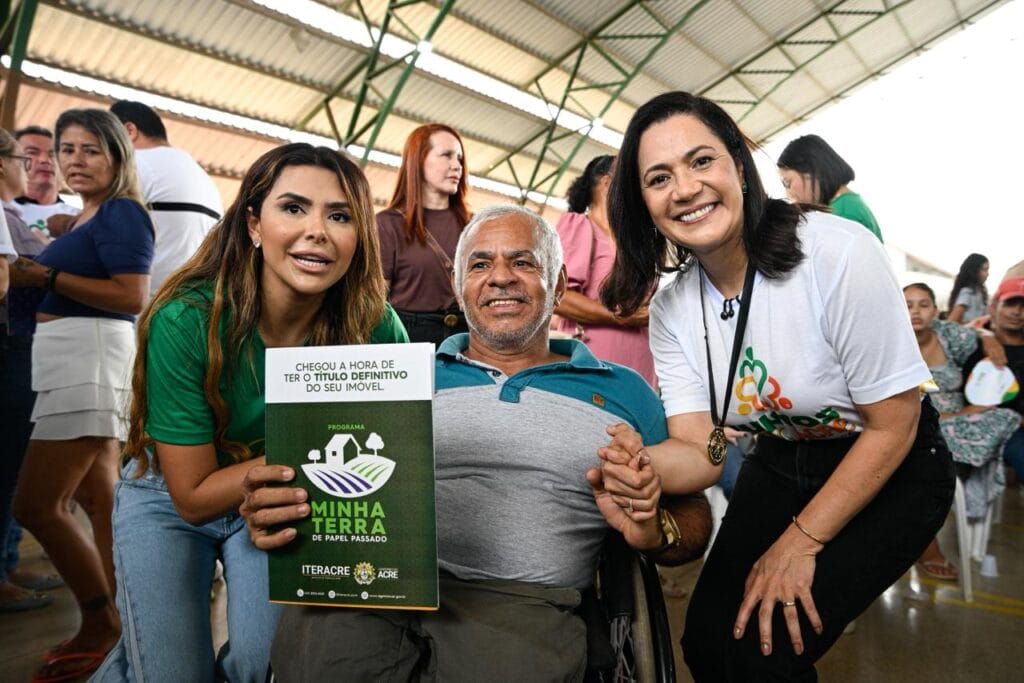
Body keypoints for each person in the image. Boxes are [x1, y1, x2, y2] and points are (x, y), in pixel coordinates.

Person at [241, 204, 712, 681]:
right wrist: (283, 514)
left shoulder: (623, 388)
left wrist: (655, 530)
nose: (500, 278)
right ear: (458, 287)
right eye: (481, 264)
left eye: (523, 262)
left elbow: (695, 513)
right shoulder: (393, 376)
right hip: (371, 587)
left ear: (561, 284)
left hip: (520, 604)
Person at [601, 91, 954, 681]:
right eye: (659, 177)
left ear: (739, 165)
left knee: (764, 654)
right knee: (708, 644)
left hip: (893, 464)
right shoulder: (672, 309)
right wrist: (638, 469)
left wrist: (799, 543)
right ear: (642, 202)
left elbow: (894, 425)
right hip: (783, 459)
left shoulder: (836, 253)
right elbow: (701, 448)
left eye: (701, 161)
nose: (685, 188)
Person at [91, 142, 407, 683]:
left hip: (286, 495)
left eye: (340, 215)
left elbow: (398, 445)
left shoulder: (374, 325)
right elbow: (191, 497)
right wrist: (316, 452)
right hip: (169, 493)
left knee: (266, 663)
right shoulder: (184, 318)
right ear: (254, 225)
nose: (317, 230)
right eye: (293, 208)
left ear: (360, 238)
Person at [10, 109, 155, 682]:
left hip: (89, 358)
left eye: (90, 149)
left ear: (118, 155)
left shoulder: (121, 212)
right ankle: (133, 623)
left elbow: (131, 294)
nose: (74, 159)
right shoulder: (87, 216)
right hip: (72, 357)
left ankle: (101, 622)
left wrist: (44, 277)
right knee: (100, 504)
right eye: (66, 149)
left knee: (36, 506)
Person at [904, 282, 1018, 579]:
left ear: (935, 310)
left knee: (1001, 417)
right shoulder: (888, 341)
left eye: (923, 304)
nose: (915, 311)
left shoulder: (949, 334)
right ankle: (925, 542)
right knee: (917, 453)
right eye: (907, 304)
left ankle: (942, 470)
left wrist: (988, 336)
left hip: (956, 424)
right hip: (912, 422)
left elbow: (979, 329)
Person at [0, 129, 62, 614]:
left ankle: (7, 560)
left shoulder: (14, 215)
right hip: (13, 345)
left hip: (28, 347)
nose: (32, 165)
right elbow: (8, 275)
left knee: (15, 464)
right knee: (7, 465)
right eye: (24, 157)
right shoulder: (6, 214)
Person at [553, 154, 655, 386]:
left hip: (642, 367)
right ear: (608, 183)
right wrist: (620, 316)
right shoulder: (579, 225)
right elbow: (557, 296)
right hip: (595, 363)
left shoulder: (634, 242)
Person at [110, 100, 224, 294]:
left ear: (129, 131)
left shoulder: (135, 163)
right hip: (195, 299)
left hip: (147, 302)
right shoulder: (203, 176)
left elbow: (104, 229)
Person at [377, 123, 471, 345]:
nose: (457, 166)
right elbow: (375, 304)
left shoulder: (475, 225)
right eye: (446, 155)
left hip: (469, 337)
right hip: (411, 339)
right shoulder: (387, 225)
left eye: (459, 158)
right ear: (418, 161)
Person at [964, 276, 1024, 487]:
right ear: (994, 305)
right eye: (1010, 303)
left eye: (1023, 305)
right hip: (997, 429)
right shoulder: (973, 345)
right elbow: (939, 331)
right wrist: (983, 333)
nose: (1017, 312)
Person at [776, 133, 882, 242]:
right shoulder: (849, 203)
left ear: (811, 172)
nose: (787, 194)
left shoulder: (842, 214)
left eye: (787, 182)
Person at [13, 125, 79, 240]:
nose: (45, 160)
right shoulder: (3, 211)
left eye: (52, 154)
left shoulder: (80, 218)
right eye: (32, 152)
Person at [947, 253, 990, 324]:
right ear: (974, 271)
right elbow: (951, 321)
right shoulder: (967, 293)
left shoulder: (980, 293)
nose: (988, 274)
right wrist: (971, 326)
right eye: (985, 270)